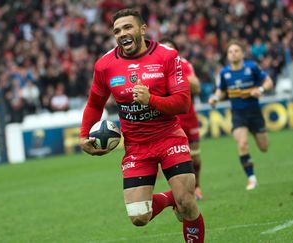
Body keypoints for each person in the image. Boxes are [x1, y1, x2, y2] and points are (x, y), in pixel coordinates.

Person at [79, 9, 205, 242]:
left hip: (169, 137)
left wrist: (151, 100)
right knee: (139, 217)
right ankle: (171, 198)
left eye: (128, 27)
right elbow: (95, 103)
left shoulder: (167, 56)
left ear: (142, 30)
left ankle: (181, 199)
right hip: (137, 146)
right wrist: (83, 136)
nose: (122, 33)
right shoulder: (105, 65)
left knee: (187, 203)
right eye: (117, 30)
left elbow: (183, 103)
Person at [208, 39, 274, 190]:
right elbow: (221, 90)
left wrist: (261, 90)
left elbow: (268, 81)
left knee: (264, 147)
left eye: (236, 51)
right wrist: (215, 98)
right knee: (242, 144)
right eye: (230, 52)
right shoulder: (225, 72)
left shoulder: (251, 68)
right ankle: (252, 179)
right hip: (238, 115)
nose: (233, 54)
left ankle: (258, 138)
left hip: (255, 113)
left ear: (243, 53)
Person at [161, 37, 204, 200]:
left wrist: (175, 76)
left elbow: (197, 87)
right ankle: (182, 193)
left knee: (195, 156)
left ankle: (197, 186)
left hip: (188, 116)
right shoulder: (153, 68)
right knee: (175, 158)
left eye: (170, 48)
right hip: (169, 119)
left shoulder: (184, 65)